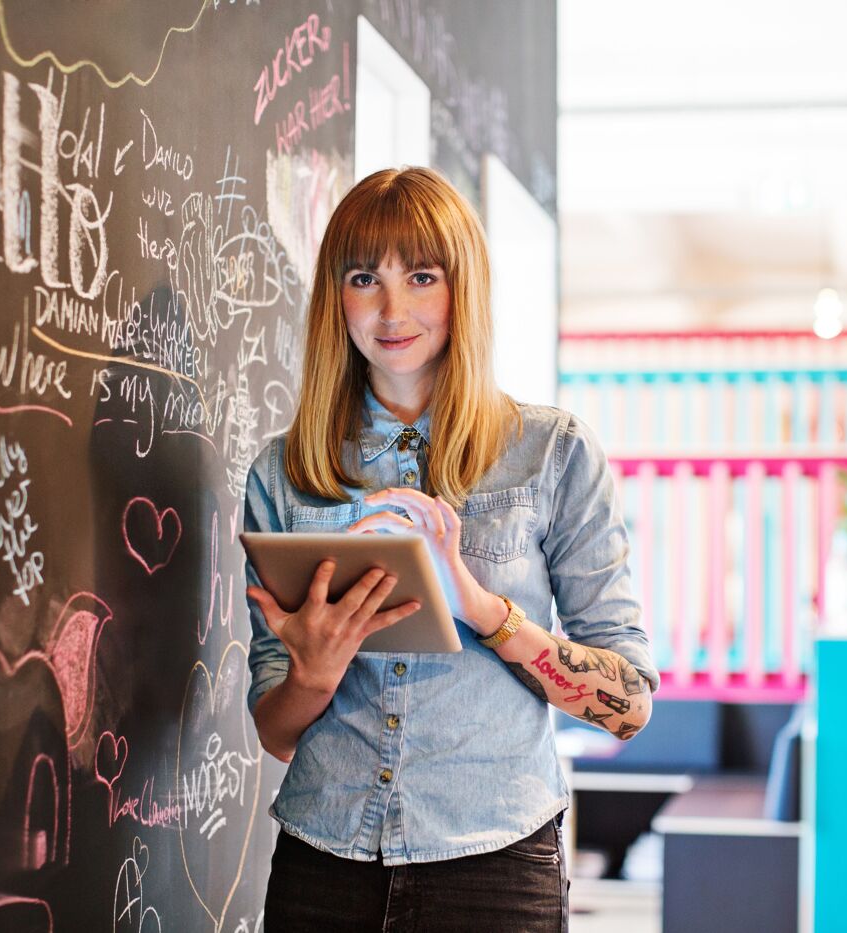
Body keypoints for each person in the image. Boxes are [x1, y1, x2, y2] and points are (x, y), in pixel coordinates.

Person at [243, 166, 658, 932]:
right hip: (323, 861)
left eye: (422, 276)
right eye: (365, 277)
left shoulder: (551, 453)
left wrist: (473, 601)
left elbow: (628, 703)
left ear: (460, 291)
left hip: (495, 863)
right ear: (336, 297)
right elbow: (275, 729)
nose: (392, 309)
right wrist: (316, 668)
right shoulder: (286, 471)